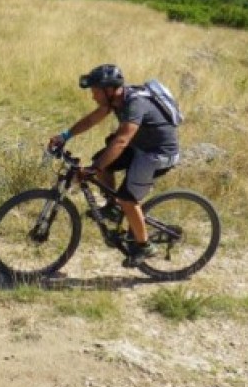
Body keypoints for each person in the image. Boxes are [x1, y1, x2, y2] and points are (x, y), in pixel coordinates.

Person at [49, 64, 180, 266]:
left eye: (95, 91)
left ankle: (144, 246)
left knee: (127, 198)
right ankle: (112, 207)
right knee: (103, 163)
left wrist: (94, 169)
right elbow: (92, 119)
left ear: (109, 90)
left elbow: (121, 141)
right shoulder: (117, 100)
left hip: (157, 154)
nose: (93, 96)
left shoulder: (135, 104)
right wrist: (65, 136)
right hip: (140, 147)